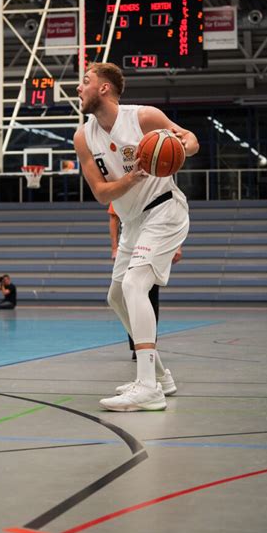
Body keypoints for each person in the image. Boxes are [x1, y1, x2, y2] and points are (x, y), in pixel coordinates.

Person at [74, 63, 199, 412]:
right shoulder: (83, 137)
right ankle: (162, 376)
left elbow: (190, 140)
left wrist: (179, 146)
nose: (79, 88)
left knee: (134, 286)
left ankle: (147, 387)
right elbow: (101, 194)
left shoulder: (144, 117)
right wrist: (134, 176)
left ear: (104, 89)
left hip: (164, 211)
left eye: (85, 81)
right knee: (116, 296)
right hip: (132, 223)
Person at [108, 202, 182, 371]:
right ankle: (144, 351)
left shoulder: (159, 186)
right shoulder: (120, 185)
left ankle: (148, 362)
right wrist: (115, 247)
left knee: (143, 294)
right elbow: (113, 217)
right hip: (129, 241)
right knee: (116, 298)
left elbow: (173, 213)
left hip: (151, 242)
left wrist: (177, 245)